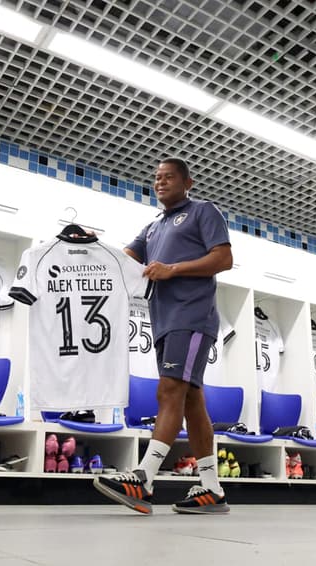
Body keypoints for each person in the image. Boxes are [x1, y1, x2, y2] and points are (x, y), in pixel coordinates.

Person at [93, 157, 233, 514]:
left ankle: (144, 479)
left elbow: (223, 259)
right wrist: (91, 248)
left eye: (169, 177)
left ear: (188, 182)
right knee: (191, 400)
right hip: (163, 321)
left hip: (192, 316)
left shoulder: (203, 211)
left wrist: (173, 269)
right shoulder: (153, 227)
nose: (160, 182)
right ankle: (212, 489)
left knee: (169, 390)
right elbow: (125, 259)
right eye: (157, 177)